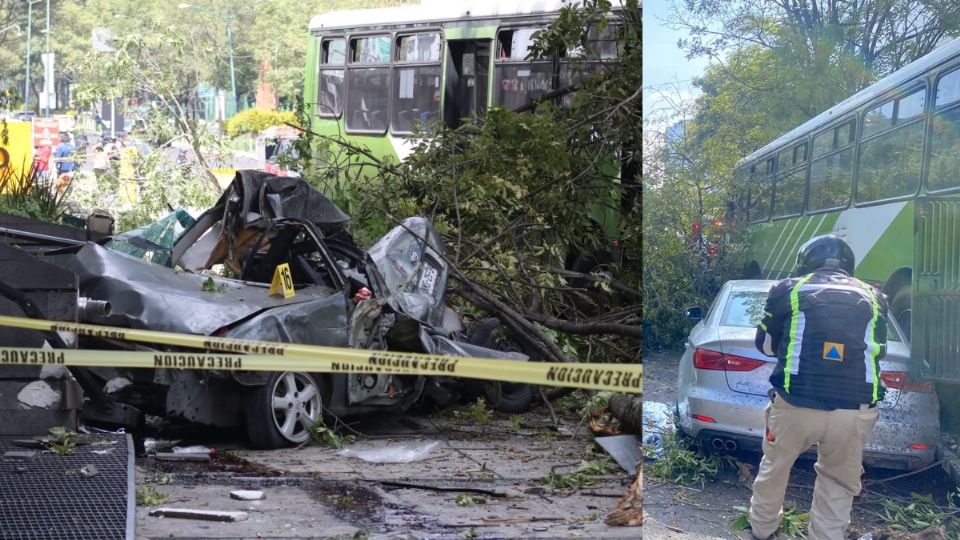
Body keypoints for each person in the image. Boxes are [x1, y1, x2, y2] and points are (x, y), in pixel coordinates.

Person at [749, 235, 888, 540]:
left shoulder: (788, 288)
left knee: (776, 467)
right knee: (837, 480)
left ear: (805, 263)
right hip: (855, 410)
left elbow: (766, 345)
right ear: (849, 265)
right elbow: (879, 350)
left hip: (795, 403)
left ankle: (762, 530)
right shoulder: (875, 296)